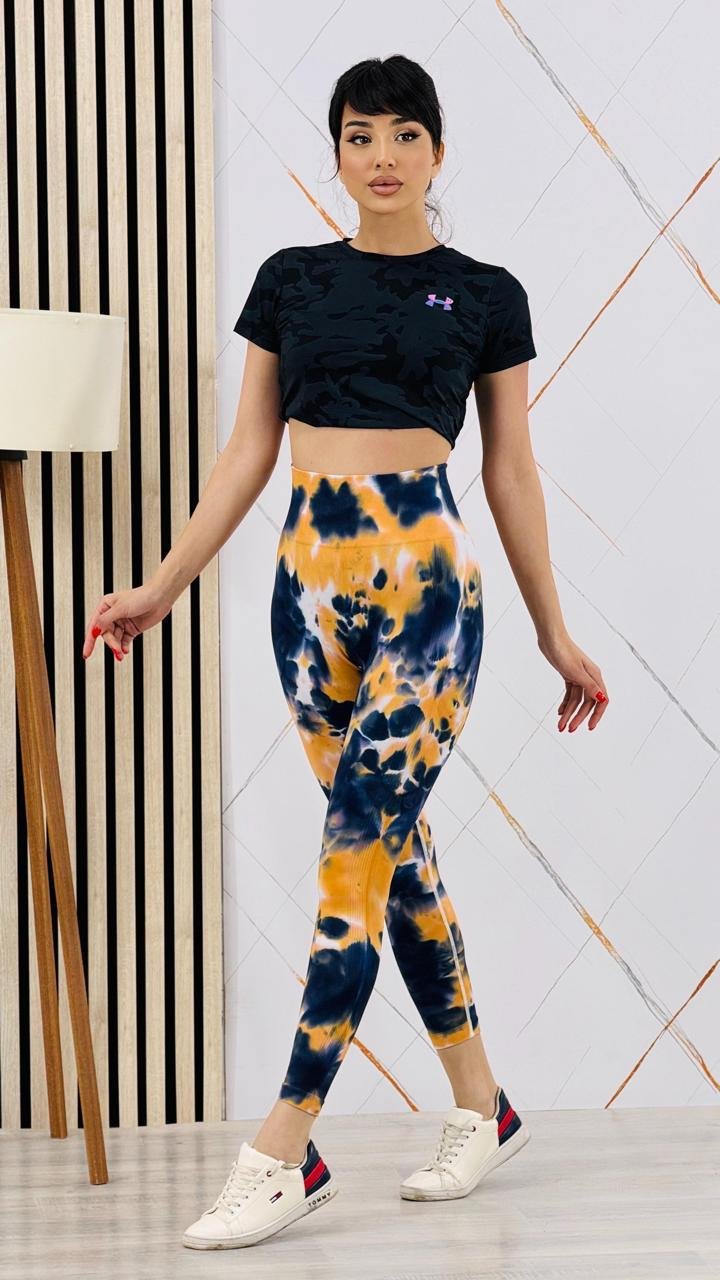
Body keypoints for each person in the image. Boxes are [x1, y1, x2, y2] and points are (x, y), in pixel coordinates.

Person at [83, 54, 609, 1251]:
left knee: (352, 854)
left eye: (404, 133)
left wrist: (553, 631)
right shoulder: (291, 280)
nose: (382, 155)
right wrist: (162, 585)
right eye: (360, 134)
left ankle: (285, 1146)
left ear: (437, 151)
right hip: (307, 595)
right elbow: (245, 453)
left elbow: (511, 471)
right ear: (336, 153)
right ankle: (484, 1106)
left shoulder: (485, 293)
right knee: (392, 854)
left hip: (428, 593)